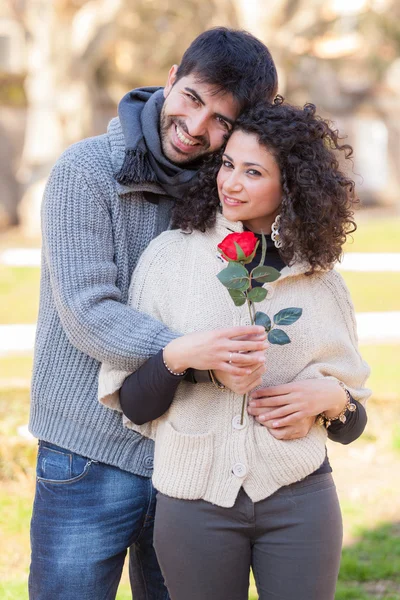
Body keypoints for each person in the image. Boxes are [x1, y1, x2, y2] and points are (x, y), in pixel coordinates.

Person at [28, 27, 281, 600]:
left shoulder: (229, 190)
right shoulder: (85, 172)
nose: (196, 128)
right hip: (88, 452)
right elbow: (89, 313)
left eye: (221, 119)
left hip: (192, 451)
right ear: (171, 78)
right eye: (192, 98)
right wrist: (195, 355)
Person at [98, 99, 371, 600]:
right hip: (194, 502)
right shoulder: (169, 261)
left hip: (300, 499)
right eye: (227, 164)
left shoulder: (320, 281)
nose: (231, 182)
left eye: (253, 172)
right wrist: (183, 358)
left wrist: (330, 400)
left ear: (289, 187)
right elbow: (133, 405)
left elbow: (353, 422)